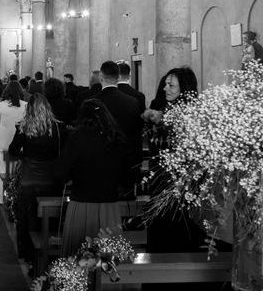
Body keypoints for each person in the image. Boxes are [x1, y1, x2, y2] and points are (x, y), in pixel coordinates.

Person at [50, 99, 130, 256]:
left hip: (81, 204)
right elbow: (127, 175)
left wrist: (70, 178)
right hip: (109, 206)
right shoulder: (116, 139)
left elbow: (59, 173)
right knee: (108, 259)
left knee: (77, 259)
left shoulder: (76, 139)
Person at [142, 66, 205, 253]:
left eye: (171, 85)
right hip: (161, 184)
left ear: (184, 89)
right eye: (166, 84)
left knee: (178, 238)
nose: (165, 88)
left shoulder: (192, 116)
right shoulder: (165, 112)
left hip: (181, 188)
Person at [8, 94, 67, 265]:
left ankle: (29, 255)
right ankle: (51, 256)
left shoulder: (24, 126)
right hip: (51, 179)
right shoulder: (59, 128)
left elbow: (12, 151)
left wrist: (26, 155)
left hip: (29, 178)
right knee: (51, 217)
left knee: (28, 217)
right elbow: (64, 154)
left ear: (29, 109)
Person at [94, 61, 143, 195]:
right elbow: (137, 132)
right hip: (127, 160)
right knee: (126, 200)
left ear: (101, 77)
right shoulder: (133, 102)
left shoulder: (93, 102)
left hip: (100, 161)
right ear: (117, 77)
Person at [0, 80, 27, 204]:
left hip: (3, 142)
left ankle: (2, 198)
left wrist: (2, 136)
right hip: (20, 144)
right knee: (17, 171)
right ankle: (15, 200)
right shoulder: (26, 105)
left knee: (4, 171)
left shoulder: (1, 105)